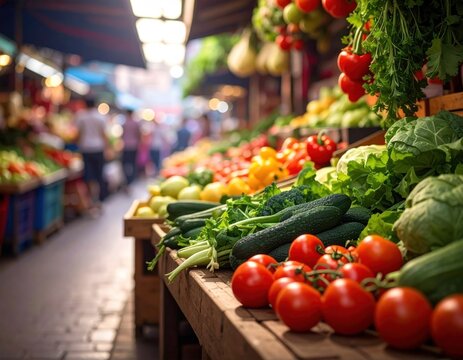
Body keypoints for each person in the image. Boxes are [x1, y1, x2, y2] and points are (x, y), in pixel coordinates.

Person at [74, 98, 108, 214]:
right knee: (99, 175)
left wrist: (76, 146)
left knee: (89, 176)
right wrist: (108, 148)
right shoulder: (100, 117)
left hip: (86, 149)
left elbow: (78, 134)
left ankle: (91, 202)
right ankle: (98, 200)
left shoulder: (81, 116)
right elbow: (104, 134)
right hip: (98, 148)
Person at [121, 109, 141, 190]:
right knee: (133, 163)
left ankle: (127, 180)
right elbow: (138, 134)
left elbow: (122, 135)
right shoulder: (136, 123)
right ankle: (132, 179)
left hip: (126, 146)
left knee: (125, 164)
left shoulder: (124, 123)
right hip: (134, 145)